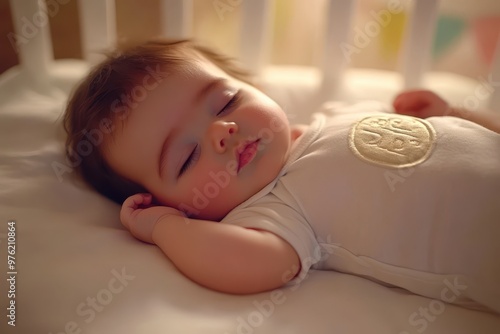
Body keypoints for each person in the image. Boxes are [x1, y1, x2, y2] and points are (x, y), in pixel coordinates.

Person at [64, 39, 500, 312]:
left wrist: (454, 113)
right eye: (187, 156)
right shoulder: (273, 211)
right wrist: (164, 228)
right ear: (171, 203)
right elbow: (249, 265)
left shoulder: (337, 113)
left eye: (225, 102)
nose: (223, 132)